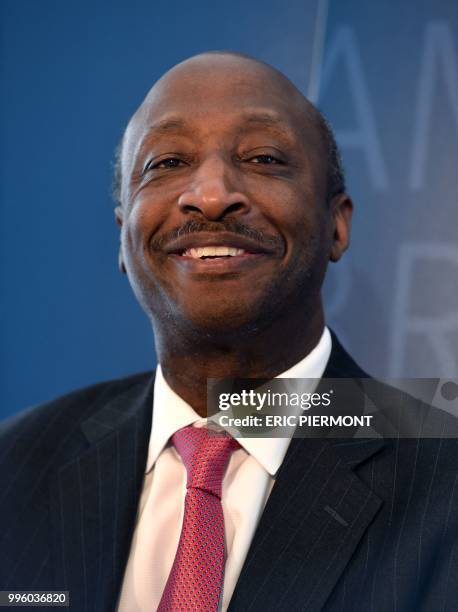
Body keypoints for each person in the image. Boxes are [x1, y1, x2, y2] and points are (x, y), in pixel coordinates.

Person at [0, 51, 457, 612]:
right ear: (123, 236)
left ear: (337, 225)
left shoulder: (444, 473)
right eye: (167, 162)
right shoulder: (15, 465)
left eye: (264, 157)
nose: (211, 195)